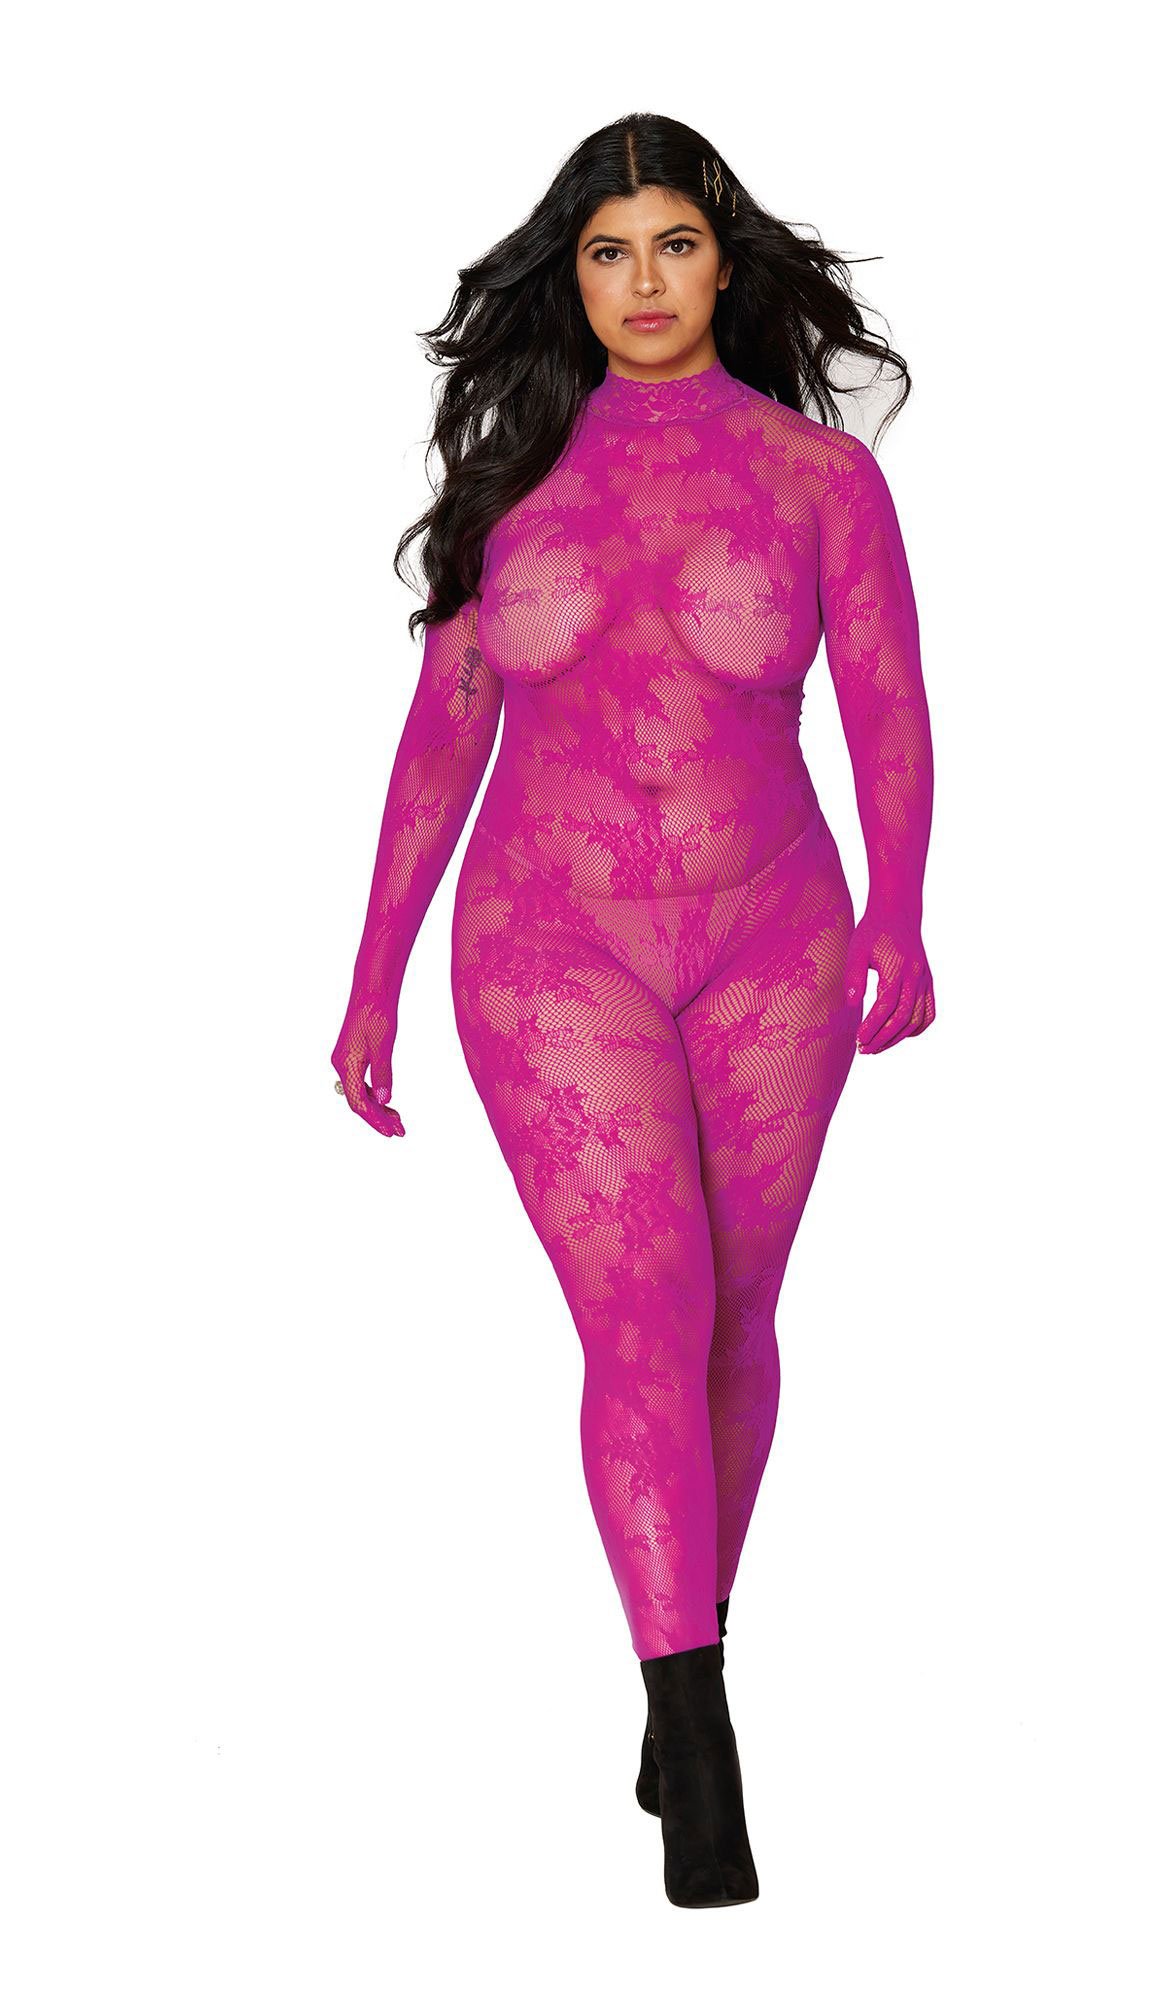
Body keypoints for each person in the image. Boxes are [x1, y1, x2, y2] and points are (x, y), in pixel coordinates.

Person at [330, 114, 936, 1908]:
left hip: (773, 938)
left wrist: (901, 910)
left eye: (674, 244)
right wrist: (369, 972)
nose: (643, 281)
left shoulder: (822, 481)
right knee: (643, 1315)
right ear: (572, 278)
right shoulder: (510, 479)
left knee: (737, 1318)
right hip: (546, 942)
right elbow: (440, 738)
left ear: (724, 264)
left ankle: (684, 1636)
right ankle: (701, 1737)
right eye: (608, 253)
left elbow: (888, 705)